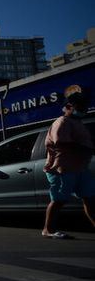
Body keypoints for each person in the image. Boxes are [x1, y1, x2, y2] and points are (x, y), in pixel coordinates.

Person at [41, 91, 95, 239]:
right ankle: (48, 230)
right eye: (81, 106)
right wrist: (86, 149)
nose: (84, 108)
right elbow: (61, 143)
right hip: (62, 168)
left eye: (85, 105)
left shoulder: (77, 123)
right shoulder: (62, 122)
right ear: (69, 106)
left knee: (89, 198)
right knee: (59, 200)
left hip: (79, 168)